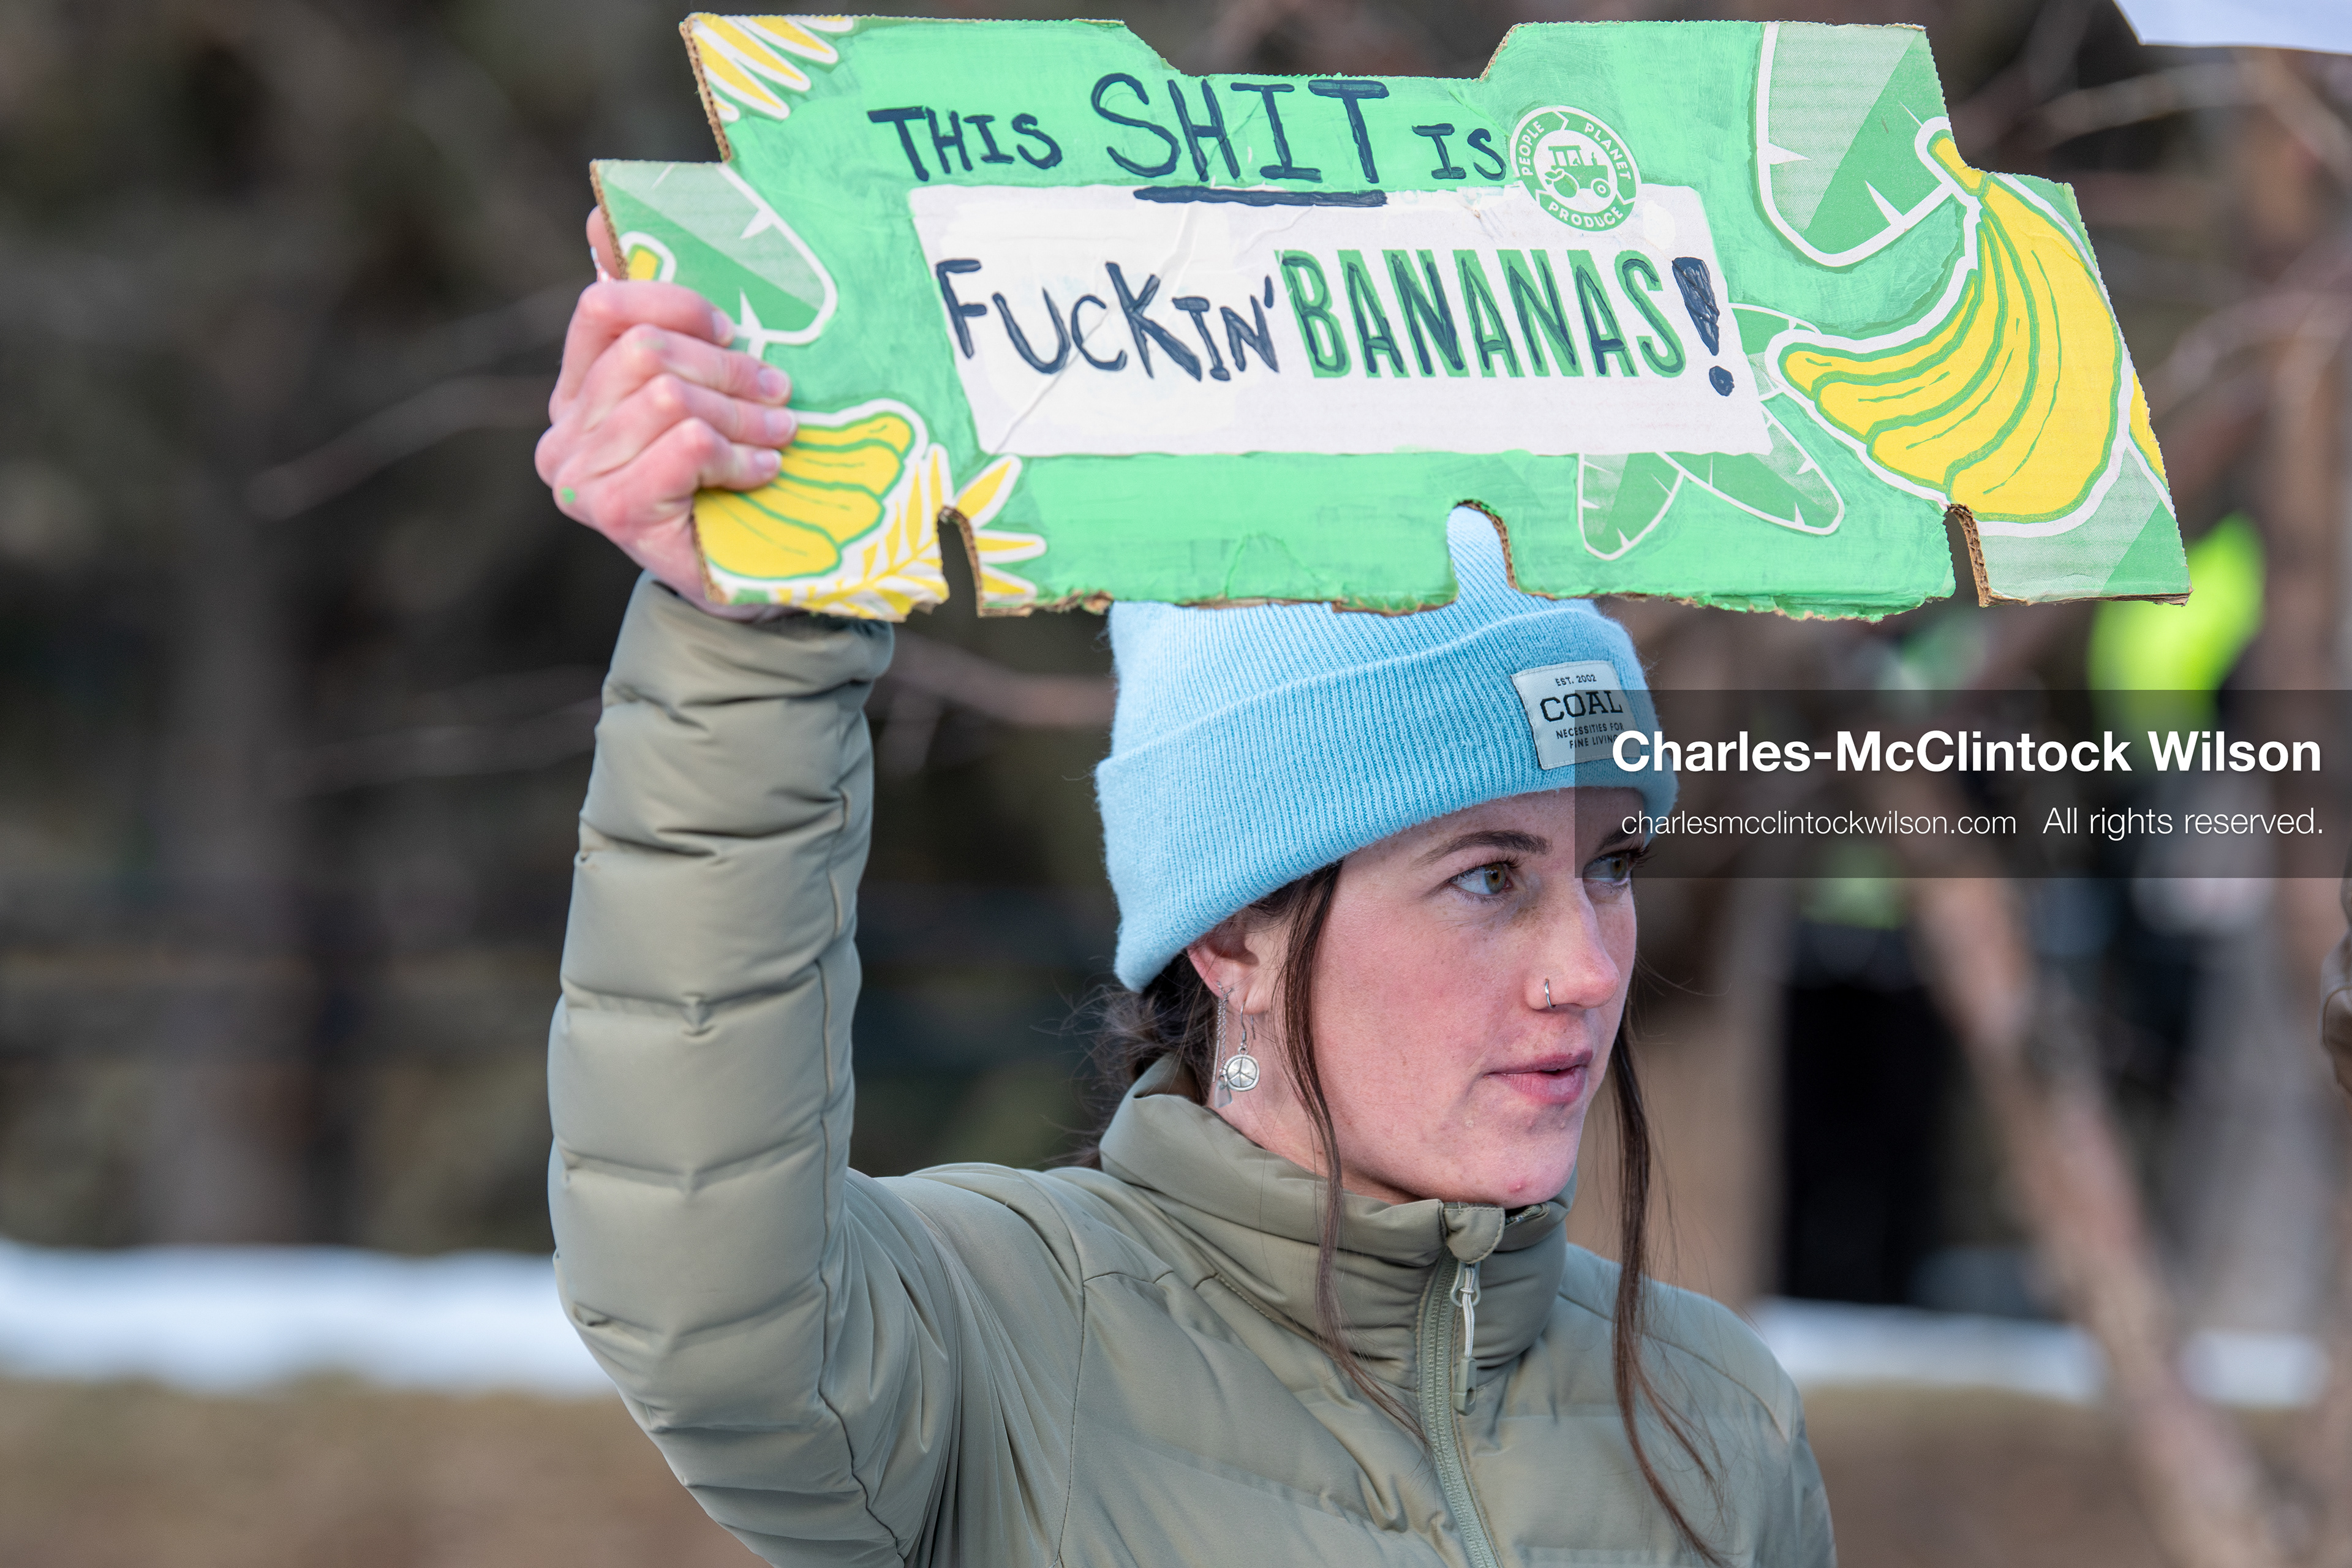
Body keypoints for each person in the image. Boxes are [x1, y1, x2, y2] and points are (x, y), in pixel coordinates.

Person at [535, 213, 1834, 1567]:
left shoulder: (1717, 1423)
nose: (1586, 963)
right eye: (1490, 875)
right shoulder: (997, 1344)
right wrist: (747, 629)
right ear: (1233, 931)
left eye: (1609, 863)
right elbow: (710, 1293)